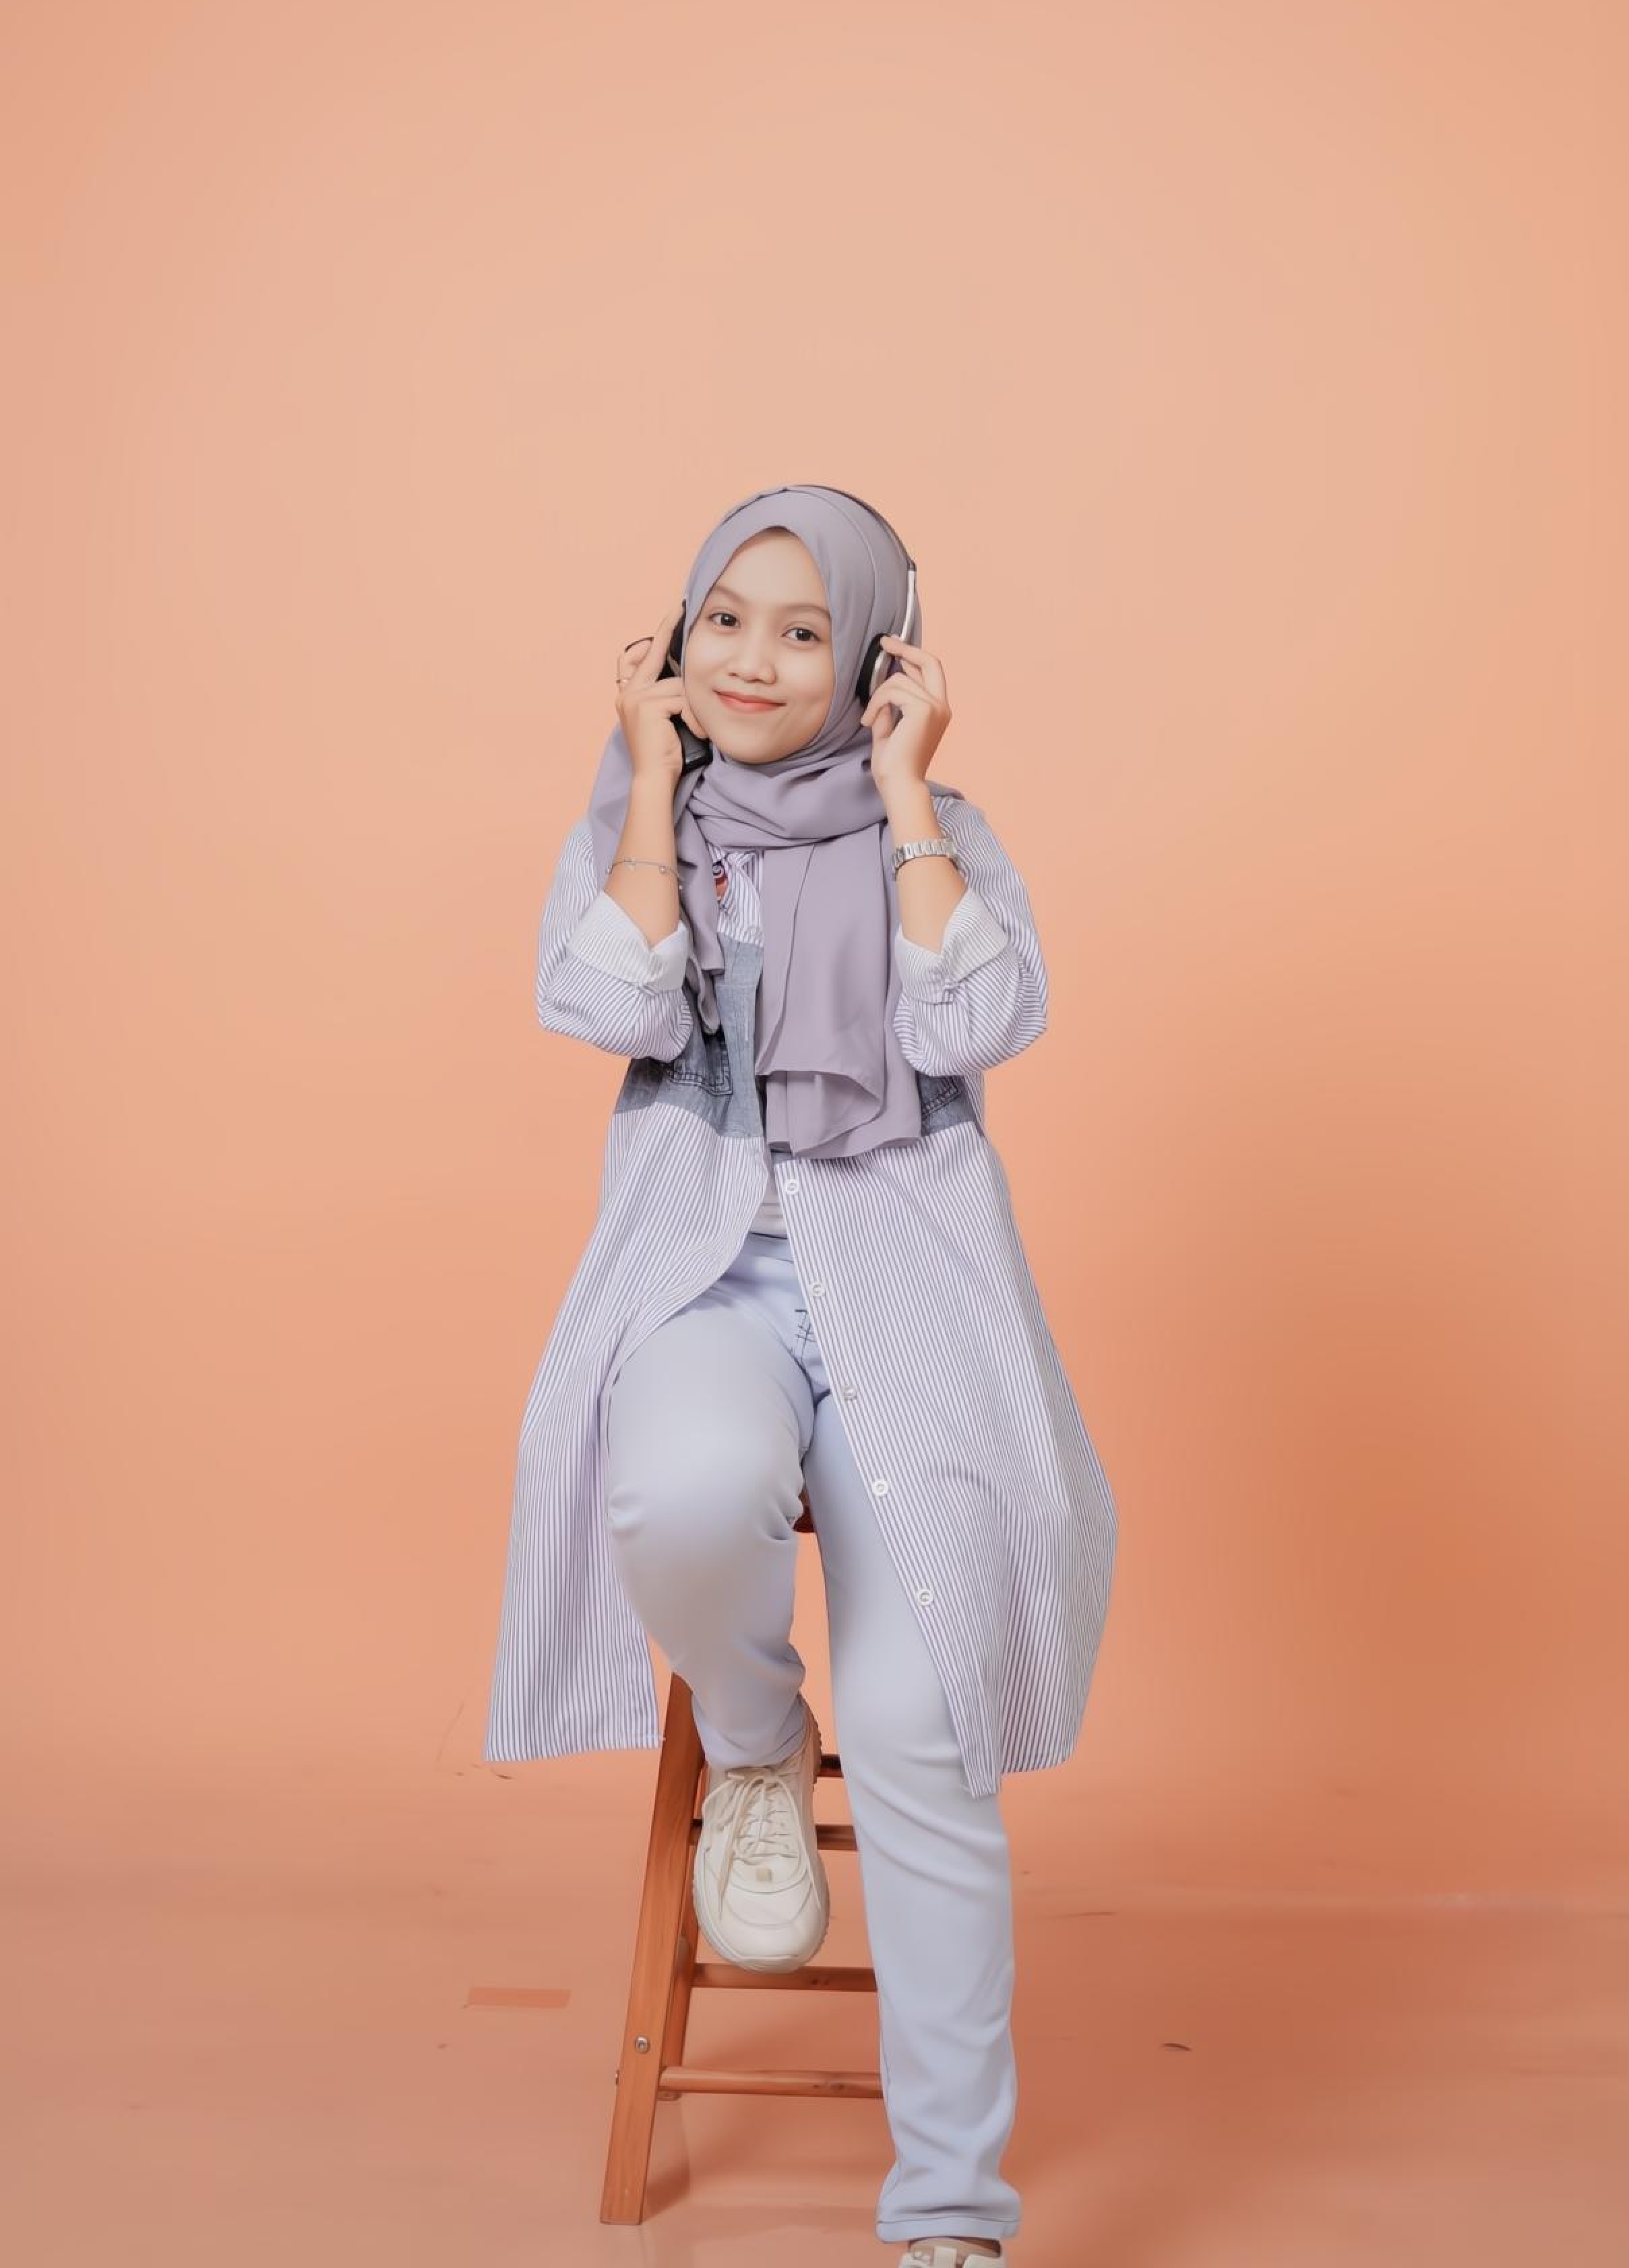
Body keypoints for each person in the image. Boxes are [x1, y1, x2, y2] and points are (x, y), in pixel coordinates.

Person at [482, 483, 1119, 2265]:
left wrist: (907, 802)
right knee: (675, 1488)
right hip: (709, 1282)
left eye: (804, 629)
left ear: (874, 663)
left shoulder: (947, 835)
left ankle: (950, 2212)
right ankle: (758, 1748)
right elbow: (605, 1006)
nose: (753, 660)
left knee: (923, 1727)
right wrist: (645, 781)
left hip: (911, 1302)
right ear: (674, 640)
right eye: (724, 620)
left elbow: (978, 1022)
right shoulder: (644, 825)